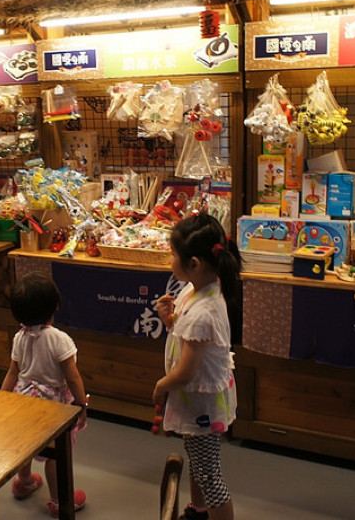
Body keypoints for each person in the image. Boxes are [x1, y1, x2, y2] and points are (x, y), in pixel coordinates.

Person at [153, 212, 241, 520]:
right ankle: (199, 510)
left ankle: (209, 510)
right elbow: (186, 335)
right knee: (199, 462)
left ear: (194, 264)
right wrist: (170, 320)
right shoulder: (196, 290)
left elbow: (187, 372)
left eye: (172, 254)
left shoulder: (204, 310)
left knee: (209, 475)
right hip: (196, 398)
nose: (170, 260)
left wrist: (162, 386)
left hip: (200, 402)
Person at [1, 271, 88, 518]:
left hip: (22, 401)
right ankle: (59, 501)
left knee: (26, 444)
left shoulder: (19, 337)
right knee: (56, 454)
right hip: (52, 407)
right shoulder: (59, 340)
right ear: (56, 305)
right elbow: (73, 378)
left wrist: (1, 399)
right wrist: (81, 404)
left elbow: (12, 372)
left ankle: (24, 481)